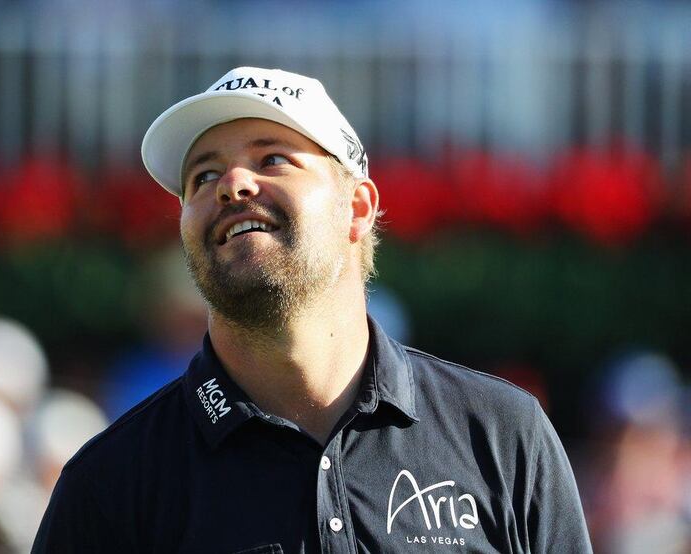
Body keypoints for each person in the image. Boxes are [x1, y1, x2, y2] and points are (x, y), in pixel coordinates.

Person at [32, 67, 592, 553]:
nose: (232, 184)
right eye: (203, 175)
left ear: (358, 206)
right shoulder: (109, 483)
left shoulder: (502, 433)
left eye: (272, 158)